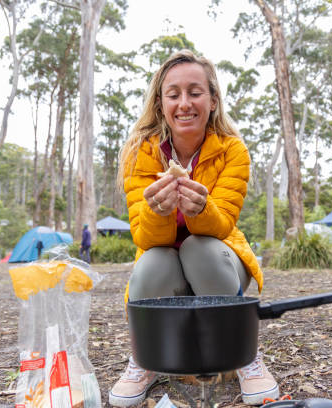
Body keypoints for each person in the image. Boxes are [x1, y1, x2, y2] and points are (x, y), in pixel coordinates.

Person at [109, 50, 278, 407]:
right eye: (173, 94)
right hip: (163, 274)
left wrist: (201, 208)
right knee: (154, 258)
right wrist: (157, 211)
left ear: (213, 100)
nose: (184, 103)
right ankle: (145, 358)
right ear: (160, 104)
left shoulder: (233, 151)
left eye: (195, 92)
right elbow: (144, 236)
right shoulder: (140, 153)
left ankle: (244, 355)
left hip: (217, 263)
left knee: (197, 246)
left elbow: (223, 225)